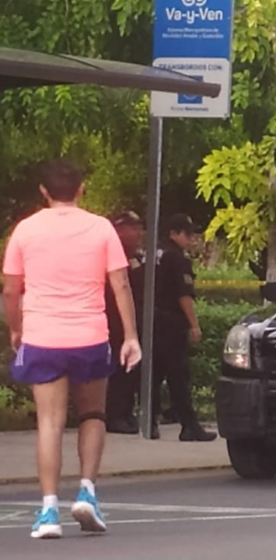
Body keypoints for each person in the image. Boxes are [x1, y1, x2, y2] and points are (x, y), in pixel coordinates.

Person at [2, 160, 142, 540]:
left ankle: (49, 509)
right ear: (81, 189)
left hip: (42, 335)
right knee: (93, 413)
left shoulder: (25, 231)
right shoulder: (100, 229)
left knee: (49, 422)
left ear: (44, 192)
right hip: (89, 335)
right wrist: (130, 336)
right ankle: (87, 492)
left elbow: (11, 290)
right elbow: (121, 285)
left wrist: (17, 330)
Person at [150, 213, 216, 442]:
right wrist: (194, 325)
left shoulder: (150, 253)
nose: (191, 239)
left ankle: (149, 421)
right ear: (174, 234)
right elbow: (183, 295)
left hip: (149, 321)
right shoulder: (177, 259)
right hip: (170, 323)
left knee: (153, 375)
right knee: (178, 376)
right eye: (187, 234)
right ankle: (189, 426)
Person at [103, 211, 148, 436]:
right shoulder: (111, 253)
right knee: (118, 370)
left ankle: (125, 412)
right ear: (119, 230)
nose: (139, 232)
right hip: (114, 320)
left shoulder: (135, 255)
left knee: (130, 371)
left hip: (132, 319)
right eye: (134, 228)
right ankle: (115, 415)